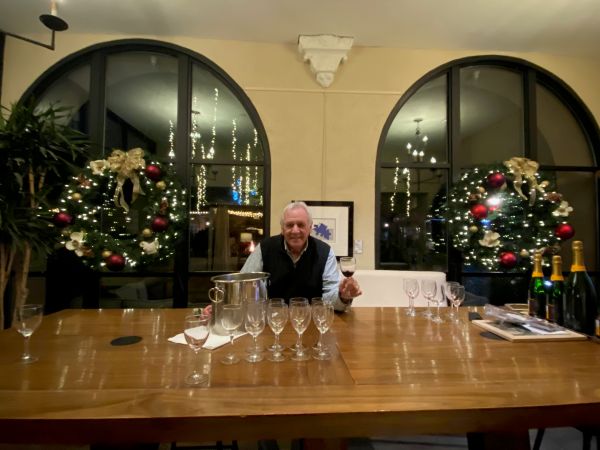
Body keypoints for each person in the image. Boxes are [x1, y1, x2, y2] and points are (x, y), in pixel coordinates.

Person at [241, 201, 361, 311]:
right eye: (289, 225)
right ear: (282, 229)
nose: (295, 230)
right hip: (274, 321)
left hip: (311, 322)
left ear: (310, 227)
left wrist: (343, 297)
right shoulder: (264, 248)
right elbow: (243, 283)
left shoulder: (325, 252)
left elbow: (330, 299)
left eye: (301, 225)